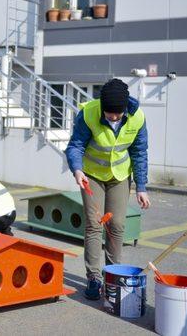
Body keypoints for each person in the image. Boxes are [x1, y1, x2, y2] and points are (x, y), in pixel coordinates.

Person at [65, 78, 150, 301]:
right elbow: (75, 145)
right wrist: (77, 169)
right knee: (94, 223)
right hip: (91, 174)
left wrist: (141, 187)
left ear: (125, 108)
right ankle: (94, 277)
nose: (113, 117)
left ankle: (113, 273)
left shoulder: (137, 117)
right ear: (102, 107)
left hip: (120, 176)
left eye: (117, 114)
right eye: (109, 113)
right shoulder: (89, 113)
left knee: (117, 224)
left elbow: (140, 152)